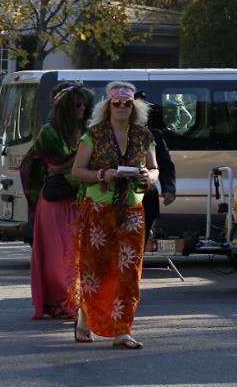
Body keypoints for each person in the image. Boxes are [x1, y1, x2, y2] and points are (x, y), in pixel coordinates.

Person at [68, 81, 160, 350]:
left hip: (132, 211)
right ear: (108, 106)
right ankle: (85, 319)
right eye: (116, 103)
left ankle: (123, 330)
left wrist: (148, 176)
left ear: (134, 106)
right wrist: (102, 175)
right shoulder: (93, 136)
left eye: (127, 103)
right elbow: (77, 171)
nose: (121, 107)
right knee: (95, 270)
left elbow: (155, 169)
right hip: (99, 210)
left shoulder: (144, 135)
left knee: (129, 272)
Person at [20, 83, 94, 320]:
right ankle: (58, 301)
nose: (82, 108)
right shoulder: (50, 131)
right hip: (54, 202)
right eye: (77, 104)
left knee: (77, 254)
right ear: (65, 107)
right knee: (56, 255)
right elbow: (41, 163)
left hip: (78, 199)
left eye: (85, 104)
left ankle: (72, 299)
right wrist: (69, 165)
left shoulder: (86, 132)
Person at [138, 94, 178, 240]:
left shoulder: (154, 135)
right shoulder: (111, 133)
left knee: (140, 244)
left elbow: (165, 163)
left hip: (146, 198)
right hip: (120, 200)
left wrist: (169, 188)